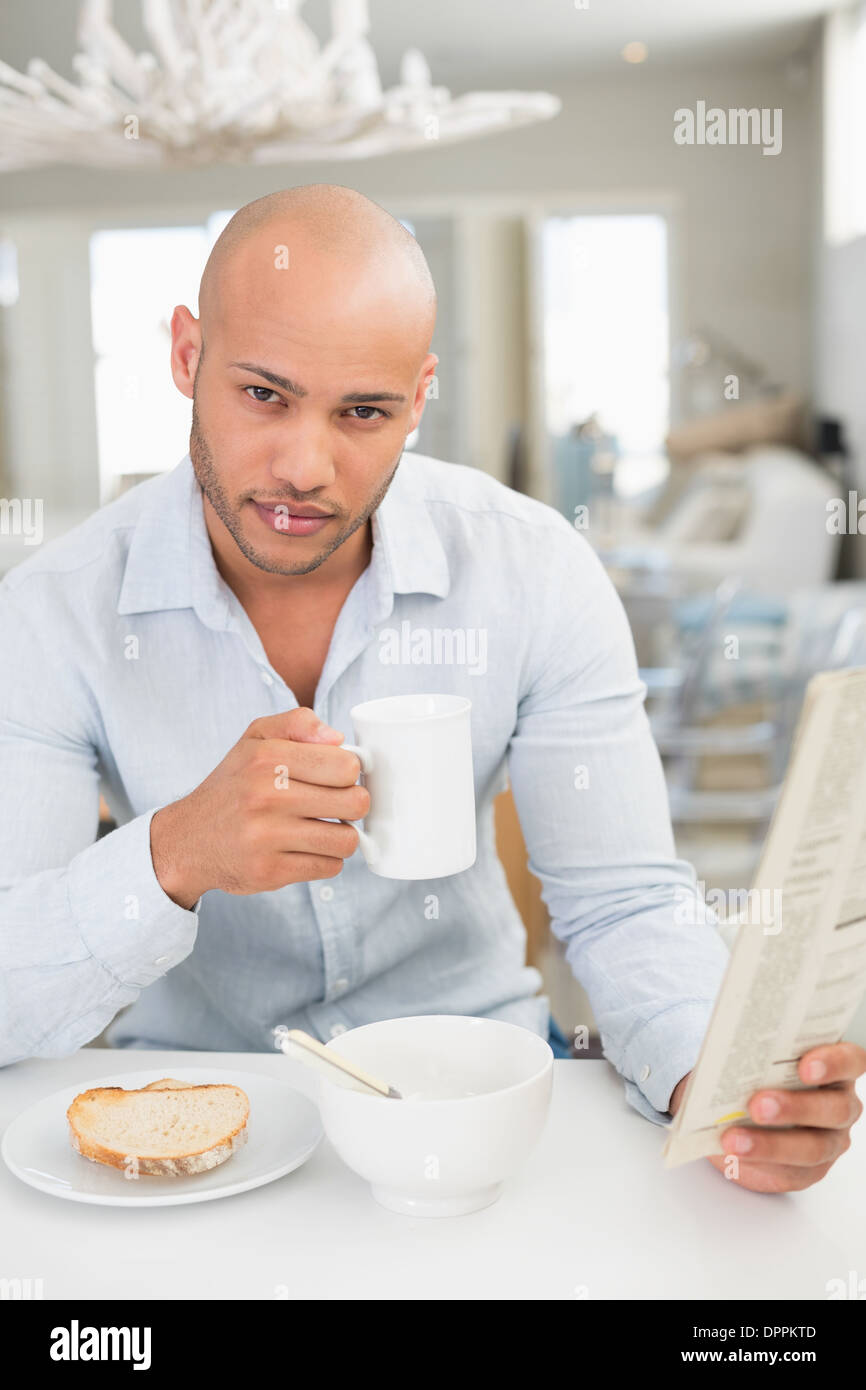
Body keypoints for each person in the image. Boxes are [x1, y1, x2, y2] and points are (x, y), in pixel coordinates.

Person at [0, 185, 862, 1194]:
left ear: (418, 397)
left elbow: (622, 902)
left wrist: (706, 1081)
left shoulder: (532, 570)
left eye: (362, 411)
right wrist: (171, 853)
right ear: (187, 355)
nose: (303, 467)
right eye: (263, 395)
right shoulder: (51, 613)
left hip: (485, 1095)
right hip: (196, 1111)